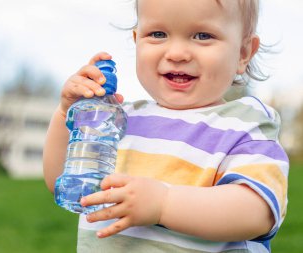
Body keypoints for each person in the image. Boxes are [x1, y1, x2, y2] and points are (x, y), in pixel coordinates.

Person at [43, 0, 289, 252]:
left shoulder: (244, 124)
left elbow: (256, 213)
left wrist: (163, 204)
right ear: (137, 40)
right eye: (158, 34)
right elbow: (62, 182)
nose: (177, 53)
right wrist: (66, 115)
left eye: (203, 35)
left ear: (243, 53)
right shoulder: (117, 120)